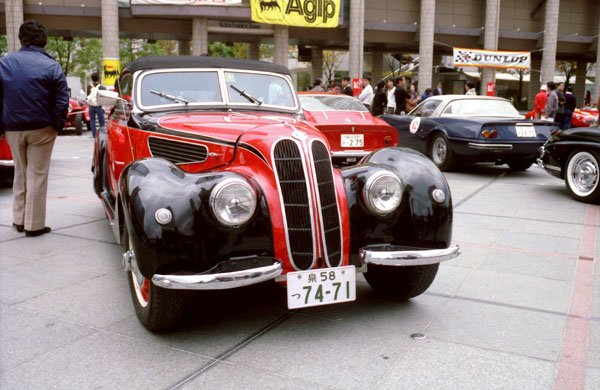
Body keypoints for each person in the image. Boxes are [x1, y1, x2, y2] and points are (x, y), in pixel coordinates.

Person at [0, 20, 69, 237]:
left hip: (12, 127)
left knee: (20, 172)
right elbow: (61, 99)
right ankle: (34, 225)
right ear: (44, 43)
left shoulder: (4, 63)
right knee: (37, 175)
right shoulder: (51, 66)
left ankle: (18, 219)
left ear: (21, 40)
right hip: (42, 127)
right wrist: (57, 125)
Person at [87, 72, 106, 139]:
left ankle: (94, 135)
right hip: (99, 106)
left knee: (92, 120)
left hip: (91, 106)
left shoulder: (89, 86)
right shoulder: (101, 87)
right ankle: (102, 135)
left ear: (91, 79)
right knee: (101, 121)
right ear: (98, 78)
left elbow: (87, 96)